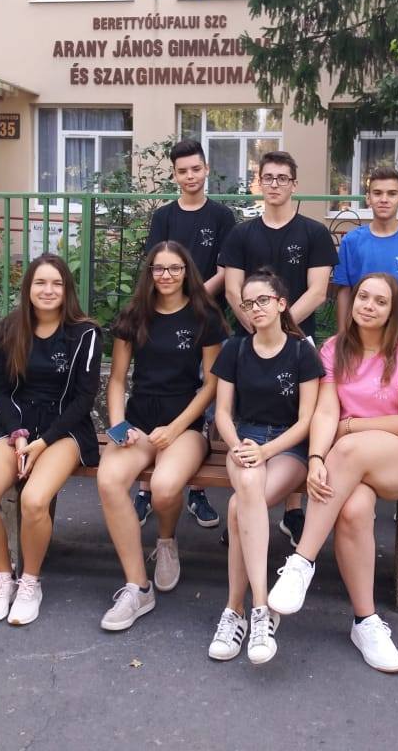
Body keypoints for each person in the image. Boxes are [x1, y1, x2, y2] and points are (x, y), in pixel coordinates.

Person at [267, 272, 398, 674]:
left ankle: (302, 561)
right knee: (354, 510)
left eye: (380, 301)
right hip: (351, 462)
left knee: (348, 448)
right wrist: (315, 458)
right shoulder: (333, 349)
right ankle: (366, 622)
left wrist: (352, 427)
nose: (369, 306)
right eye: (363, 297)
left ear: (393, 311)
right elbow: (326, 411)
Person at [97, 240, 227, 632]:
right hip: (138, 421)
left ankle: (166, 542)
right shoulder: (134, 314)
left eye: (174, 268)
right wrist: (118, 425)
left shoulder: (205, 315)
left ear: (186, 272)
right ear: (150, 272)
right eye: (158, 268)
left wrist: (176, 427)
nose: (166, 275)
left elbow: (211, 384)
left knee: (166, 488)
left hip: (184, 425)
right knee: (109, 481)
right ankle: (137, 587)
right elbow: (117, 380)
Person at [0, 253, 101, 626]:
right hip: (16, 429)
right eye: (40, 282)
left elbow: (84, 399)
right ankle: (3, 579)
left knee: (35, 500)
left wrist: (43, 442)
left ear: (67, 289)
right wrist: (18, 434)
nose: (48, 290)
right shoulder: (9, 329)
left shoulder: (85, 334)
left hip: (64, 430)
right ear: (28, 288)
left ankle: (30, 582)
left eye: (56, 283)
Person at [219, 150, 338, 546]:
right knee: (253, 412)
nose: (274, 184)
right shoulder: (242, 234)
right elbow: (233, 290)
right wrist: (258, 325)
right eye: (268, 177)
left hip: (299, 339)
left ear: (294, 184)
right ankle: (246, 512)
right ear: (259, 183)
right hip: (251, 340)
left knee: (295, 416)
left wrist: (282, 328)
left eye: (282, 178)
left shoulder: (314, 233)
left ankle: (292, 511)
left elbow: (318, 291)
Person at [207, 268, 323, 666]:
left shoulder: (302, 352)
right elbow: (223, 412)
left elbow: (306, 421)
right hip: (245, 439)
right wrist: (238, 445)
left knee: (238, 507)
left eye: (263, 300)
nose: (255, 308)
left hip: (288, 446)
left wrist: (268, 450)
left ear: (281, 304)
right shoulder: (235, 349)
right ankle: (260, 609)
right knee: (247, 490)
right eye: (248, 303)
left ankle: (236, 610)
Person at [134, 138, 236, 529]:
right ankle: (145, 491)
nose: (190, 176)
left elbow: (226, 270)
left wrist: (190, 298)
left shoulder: (222, 216)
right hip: (163, 321)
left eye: (196, 168)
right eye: (182, 171)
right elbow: (154, 265)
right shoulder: (164, 216)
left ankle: (197, 492)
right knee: (157, 392)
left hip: (207, 321)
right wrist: (173, 301)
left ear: (206, 169)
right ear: (174, 175)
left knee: (205, 405)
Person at [333, 166, 398, 355]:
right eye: (377, 193)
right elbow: (344, 292)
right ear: (368, 198)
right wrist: (342, 336)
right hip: (360, 342)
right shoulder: (351, 241)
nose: (384, 199)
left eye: (391, 193)